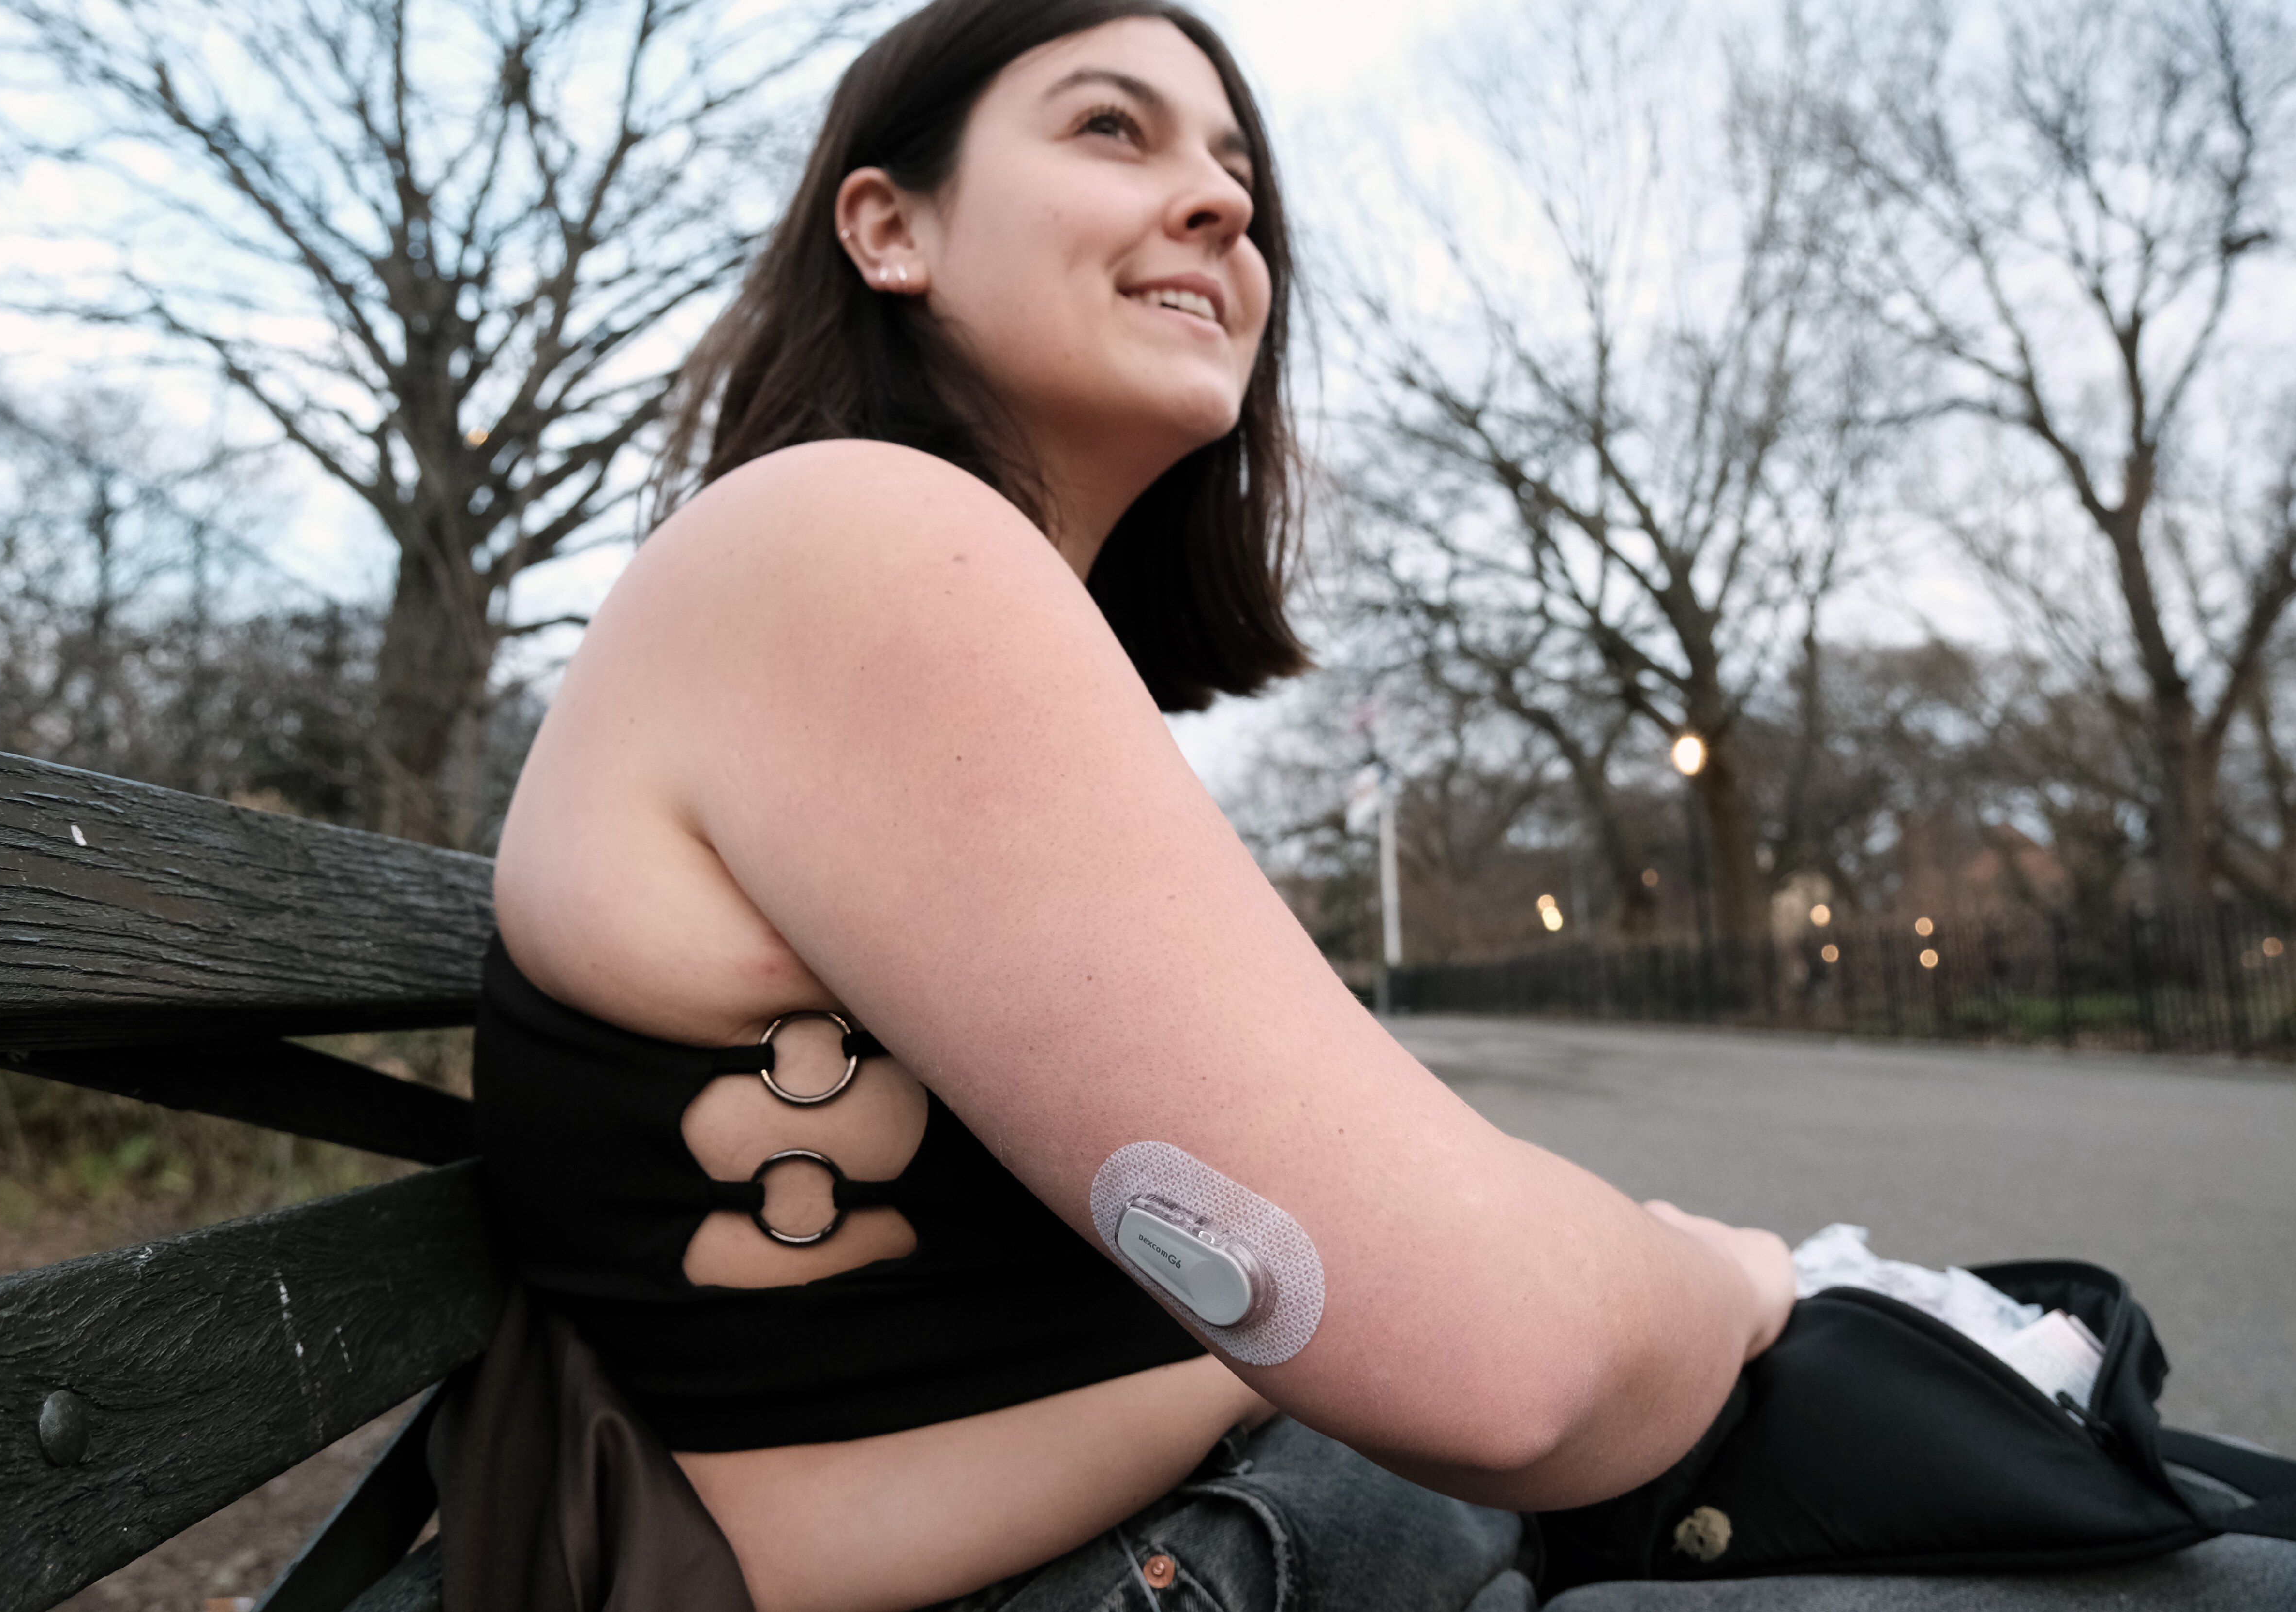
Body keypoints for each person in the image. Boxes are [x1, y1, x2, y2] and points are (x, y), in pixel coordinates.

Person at [462, 3, 2291, 1610]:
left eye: (1239, 166)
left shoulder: (914, 612)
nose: (1226, 205)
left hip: (1294, 1527)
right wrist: (1728, 1275)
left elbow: (1367, 1310)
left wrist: (1465, 1299)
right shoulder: (851, 537)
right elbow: (1502, 1363)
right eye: (1114, 126)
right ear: (891, 224)